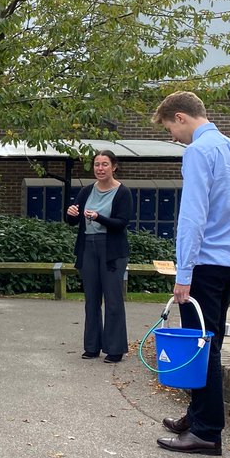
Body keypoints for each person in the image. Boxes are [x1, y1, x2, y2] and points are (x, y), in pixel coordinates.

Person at [153, 91, 230, 456]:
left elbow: (192, 217)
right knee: (210, 340)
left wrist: (184, 273)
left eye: (170, 129)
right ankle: (197, 415)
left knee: (202, 346)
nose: (173, 137)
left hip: (204, 265)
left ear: (181, 117)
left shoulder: (198, 153)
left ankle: (206, 431)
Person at [66, 150, 133, 363]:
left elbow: (121, 223)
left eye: (105, 164)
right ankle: (92, 346)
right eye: (97, 164)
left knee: (113, 300)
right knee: (91, 300)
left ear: (114, 166)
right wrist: (71, 214)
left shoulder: (123, 192)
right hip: (88, 248)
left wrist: (98, 217)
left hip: (112, 251)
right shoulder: (86, 191)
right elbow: (73, 222)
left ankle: (115, 349)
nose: (100, 168)